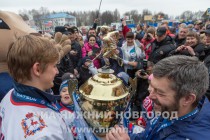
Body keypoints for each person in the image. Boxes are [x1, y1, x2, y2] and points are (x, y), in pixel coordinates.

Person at [106, 55, 210, 140]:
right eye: (152, 88)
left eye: (160, 92)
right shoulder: (171, 109)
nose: (150, 97)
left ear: (187, 99)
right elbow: (147, 136)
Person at [0, 35, 73, 139]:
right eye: (54, 66)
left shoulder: (9, 95)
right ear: (37, 69)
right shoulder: (45, 133)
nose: (57, 72)